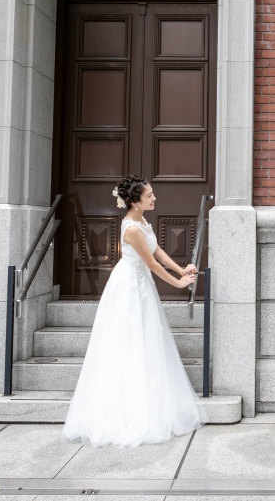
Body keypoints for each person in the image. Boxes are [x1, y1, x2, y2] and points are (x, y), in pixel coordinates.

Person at [62, 175, 204, 447]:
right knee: (130, 341)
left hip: (140, 285)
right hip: (129, 286)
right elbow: (150, 262)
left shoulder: (142, 222)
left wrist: (180, 267)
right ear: (135, 201)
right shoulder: (132, 229)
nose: (154, 198)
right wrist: (178, 283)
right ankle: (127, 413)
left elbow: (158, 251)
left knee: (146, 340)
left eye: (152, 193)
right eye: (149, 195)